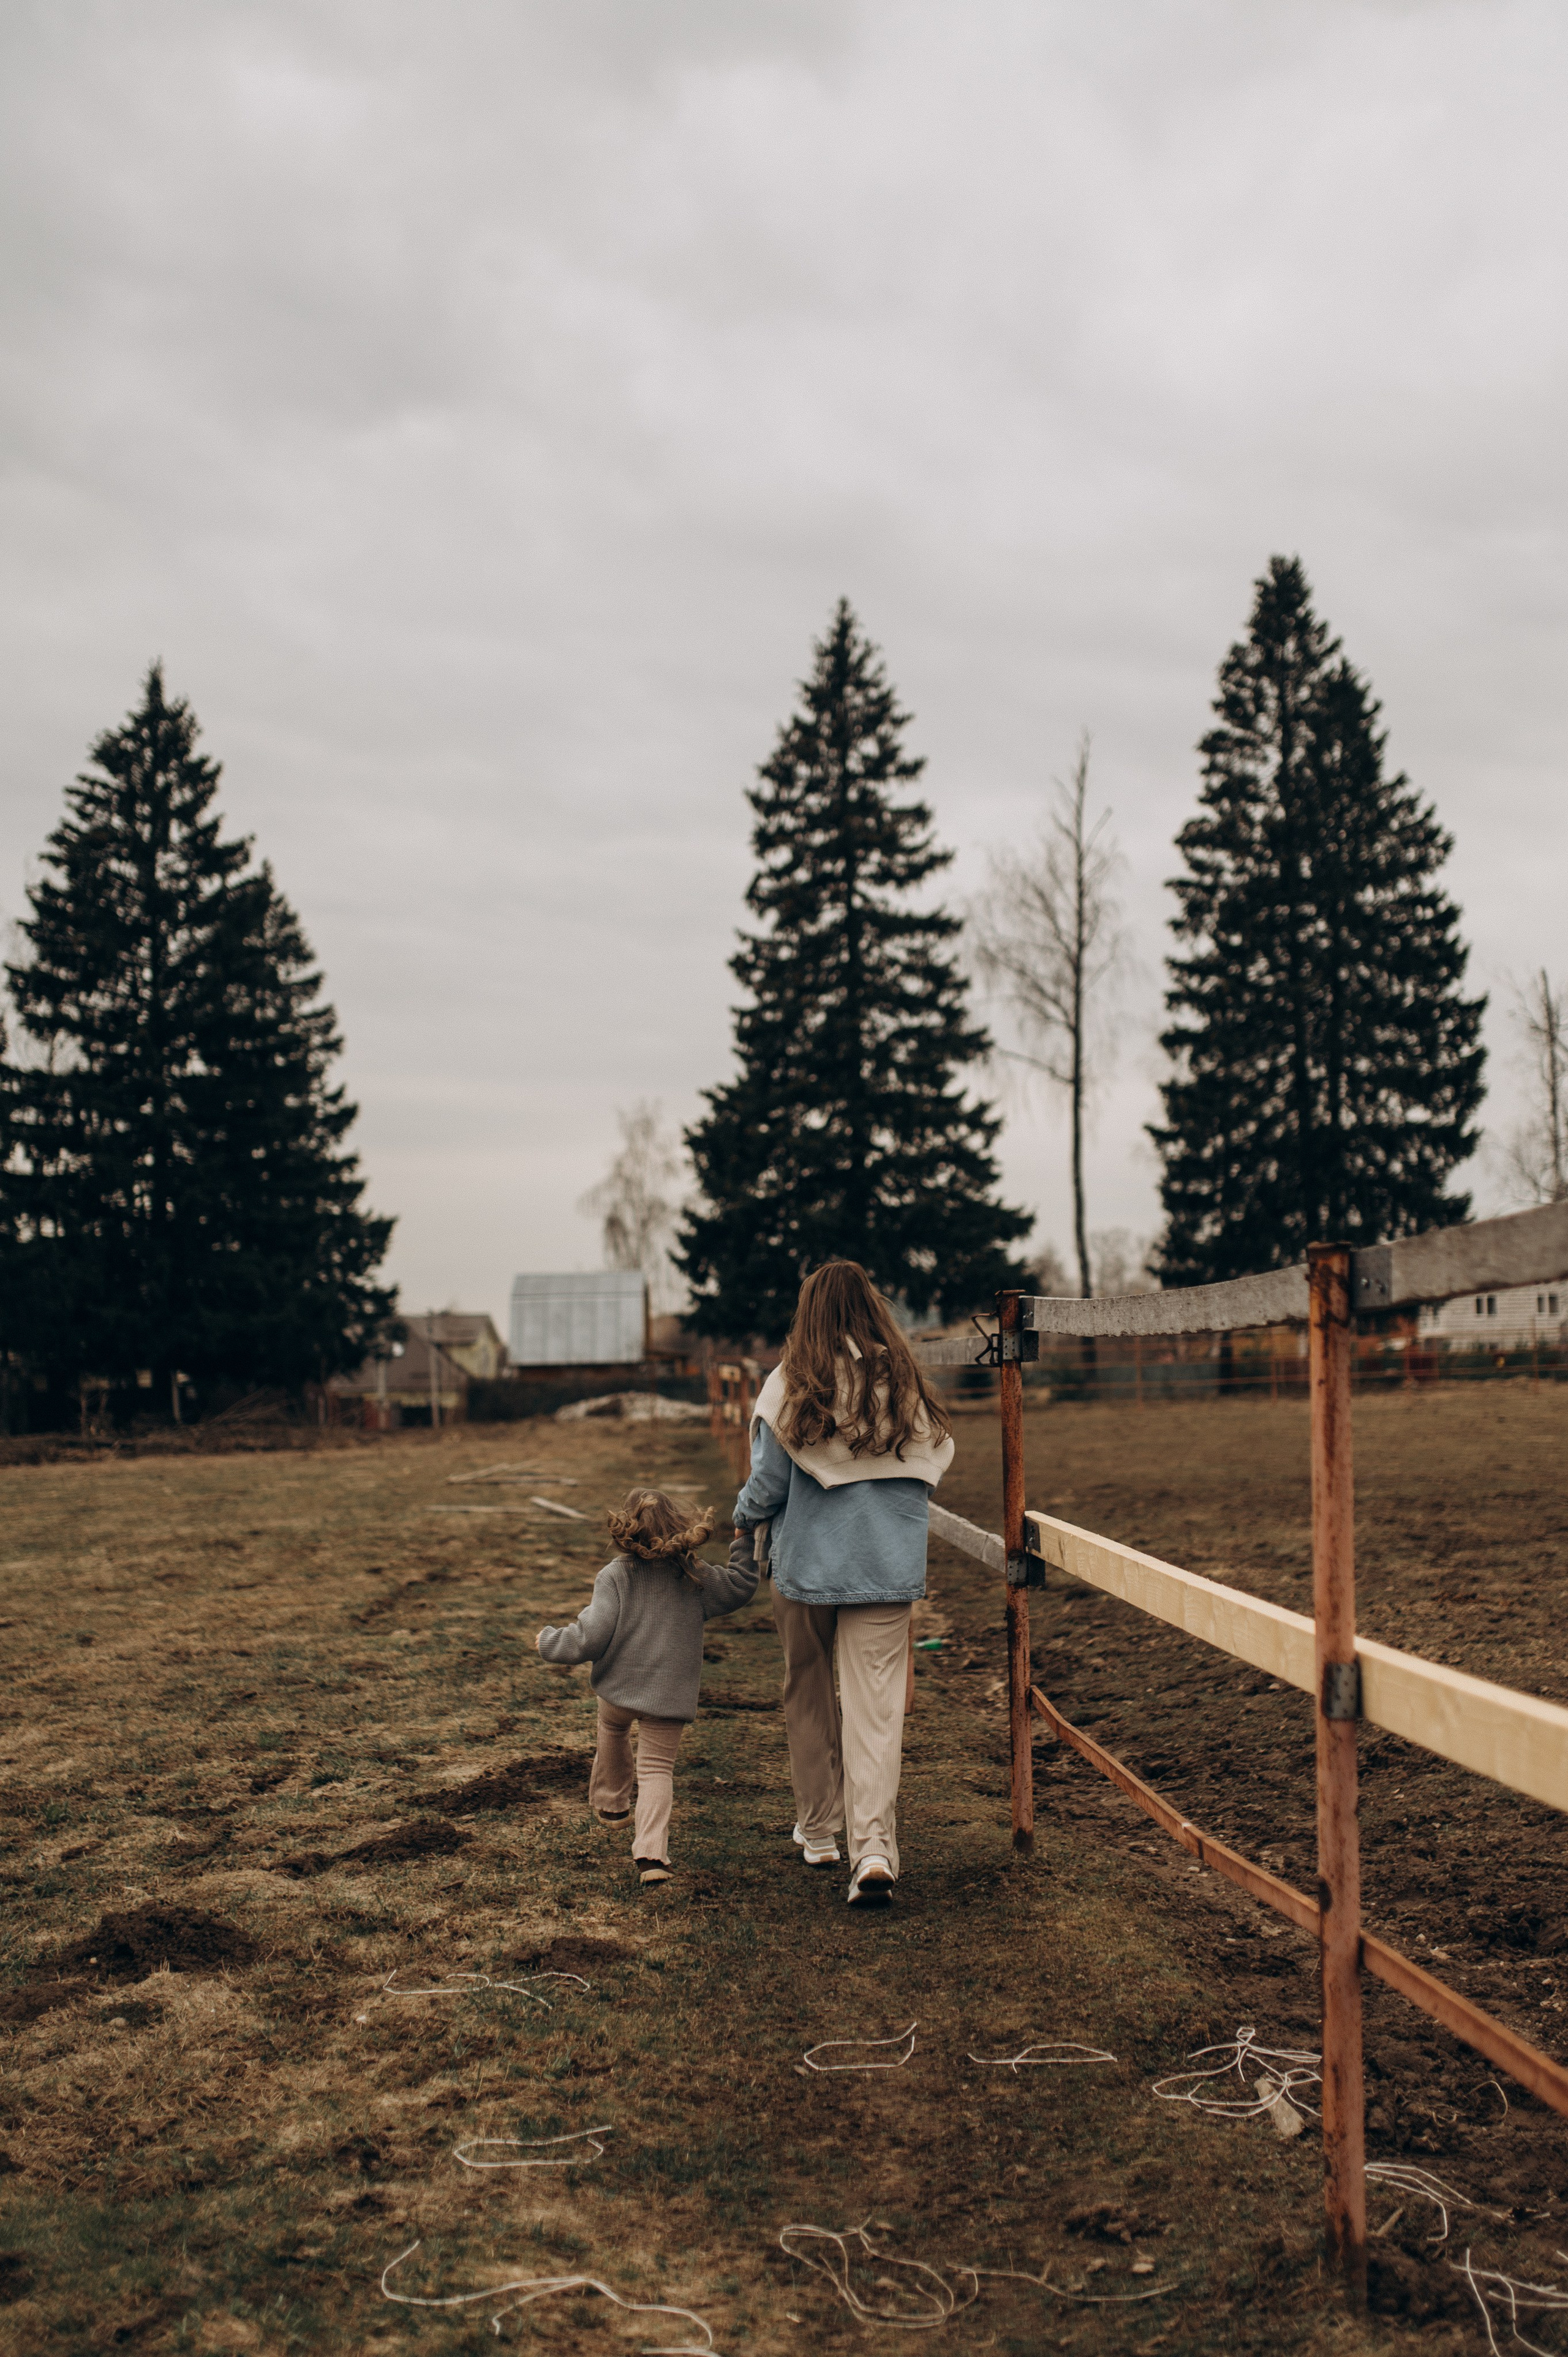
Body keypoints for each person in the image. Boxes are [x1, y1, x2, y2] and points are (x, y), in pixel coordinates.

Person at [733, 1261, 954, 1906]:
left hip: (807, 1565)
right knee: (876, 1707)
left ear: (808, 1312)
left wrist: (743, 1519)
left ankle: (819, 1831)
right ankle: (875, 1848)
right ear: (872, 1306)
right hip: (886, 1564)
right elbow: (932, 1459)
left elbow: (768, 1484)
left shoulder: (790, 1382)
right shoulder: (904, 1382)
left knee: (807, 1686)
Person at [536, 1488, 759, 1887]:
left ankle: (612, 1804)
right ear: (679, 1526)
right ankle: (652, 1856)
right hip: (668, 1697)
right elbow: (741, 1585)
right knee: (657, 1769)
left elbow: (590, 1637)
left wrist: (550, 1641)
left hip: (619, 1689)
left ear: (625, 1530)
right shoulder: (694, 1575)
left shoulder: (615, 1576)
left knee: (612, 1728)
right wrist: (744, 1543)